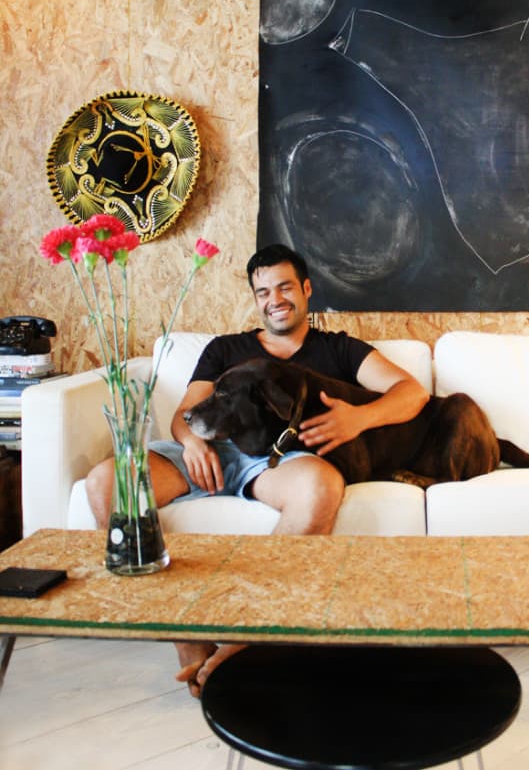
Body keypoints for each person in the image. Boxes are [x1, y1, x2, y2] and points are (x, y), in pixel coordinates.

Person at [85, 243, 429, 695]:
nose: (275, 299)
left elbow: (413, 392)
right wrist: (190, 443)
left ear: (306, 290)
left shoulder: (339, 350)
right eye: (263, 291)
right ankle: (188, 642)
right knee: (107, 480)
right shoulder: (226, 348)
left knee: (321, 486)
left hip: (278, 461)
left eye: (285, 287)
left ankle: (246, 639)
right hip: (211, 453)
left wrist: (358, 417)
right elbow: (187, 412)